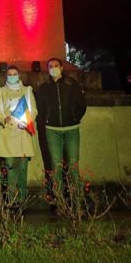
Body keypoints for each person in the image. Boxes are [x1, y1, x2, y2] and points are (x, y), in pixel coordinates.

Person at [36, 58, 87, 196]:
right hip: (52, 131)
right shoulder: (44, 87)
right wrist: (46, 122)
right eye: (50, 66)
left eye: (56, 66)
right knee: (56, 167)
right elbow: (40, 110)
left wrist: (75, 118)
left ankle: (76, 203)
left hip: (71, 130)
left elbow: (81, 105)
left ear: (62, 67)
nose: (53, 68)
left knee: (73, 166)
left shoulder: (72, 84)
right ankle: (60, 202)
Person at [0, 65, 38, 206]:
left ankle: (22, 201)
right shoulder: (0, 91)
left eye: (15, 73)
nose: (12, 76)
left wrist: (26, 122)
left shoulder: (27, 90)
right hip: (8, 134)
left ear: (19, 75)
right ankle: (11, 201)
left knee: (23, 169)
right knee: (10, 169)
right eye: (9, 74)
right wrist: (5, 119)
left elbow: (33, 110)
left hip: (23, 134)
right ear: (6, 76)